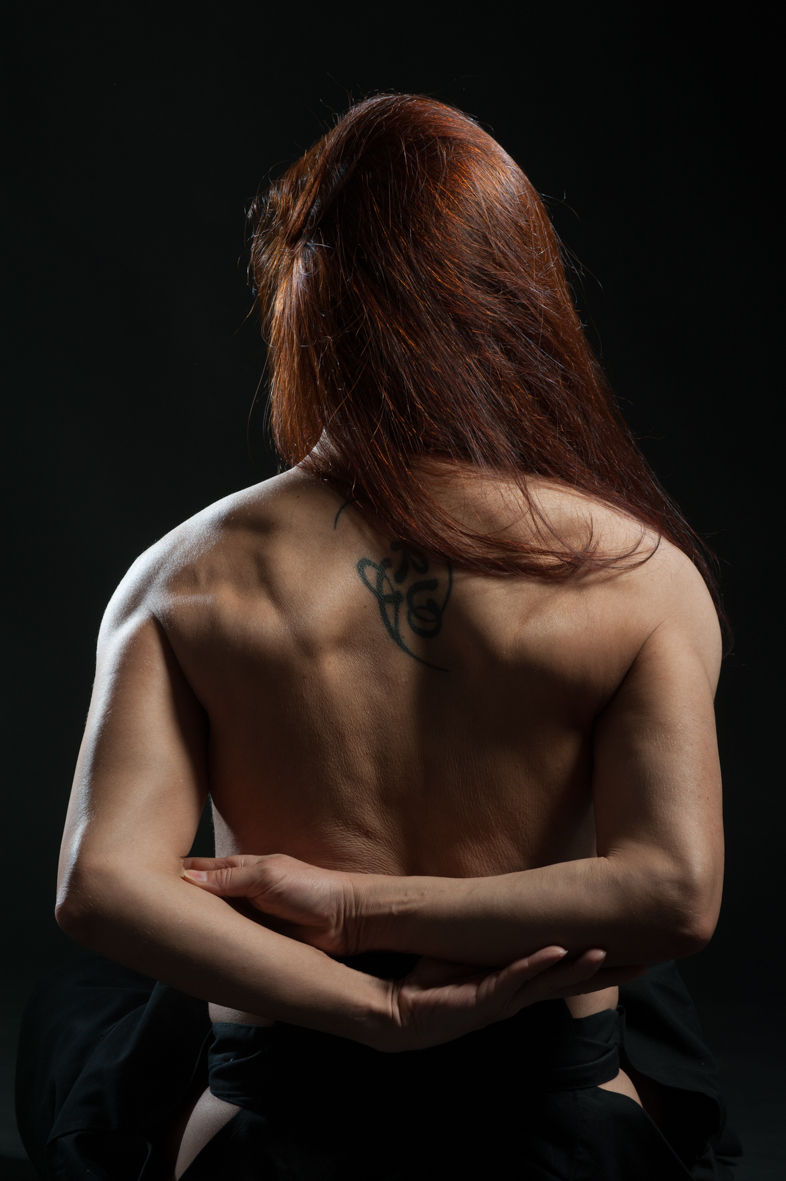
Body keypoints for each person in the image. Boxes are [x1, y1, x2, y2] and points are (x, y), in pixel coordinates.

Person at [16, 94, 741, 1180]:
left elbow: (103, 885)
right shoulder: (640, 575)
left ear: (303, 309)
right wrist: (383, 936)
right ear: (514, 300)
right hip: (560, 1124)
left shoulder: (181, 576)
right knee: (646, 988)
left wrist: (373, 986)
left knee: (92, 1002)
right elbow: (673, 893)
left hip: (279, 1123)